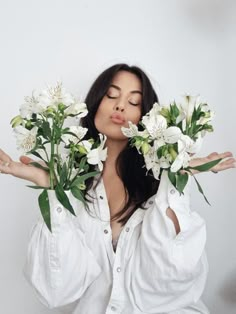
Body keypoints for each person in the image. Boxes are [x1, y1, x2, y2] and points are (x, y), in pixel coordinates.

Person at [0, 64, 235, 314]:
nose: (120, 106)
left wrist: (174, 176)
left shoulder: (159, 178)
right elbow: (57, 290)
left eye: (134, 102)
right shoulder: (72, 182)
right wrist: (56, 191)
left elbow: (172, 279)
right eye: (111, 95)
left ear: (147, 117)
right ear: (94, 103)